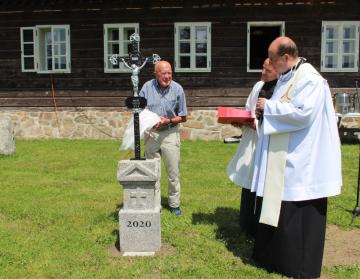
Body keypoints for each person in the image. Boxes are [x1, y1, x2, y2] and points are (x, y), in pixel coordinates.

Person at [251, 36, 342, 278]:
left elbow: (303, 114)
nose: (269, 63)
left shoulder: (310, 80)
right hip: (285, 154)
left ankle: (298, 265)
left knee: (298, 209)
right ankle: (275, 257)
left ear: (286, 57)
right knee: (280, 204)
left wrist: (268, 107)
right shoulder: (287, 75)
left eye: (272, 59)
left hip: (302, 157)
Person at [227, 58, 278, 237]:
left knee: (264, 183)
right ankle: (247, 222)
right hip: (253, 141)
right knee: (249, 182)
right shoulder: (258, 86)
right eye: (262, 69)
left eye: (267, 71)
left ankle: (261, 225)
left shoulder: (281, 89)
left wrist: (256, 125)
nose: (263, 73)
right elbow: (249, 110)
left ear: (278, 70)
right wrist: (242, 120)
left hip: (270, 145)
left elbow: (279, 120)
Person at [139, 60, 187, 216]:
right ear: (156, 74)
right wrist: (149, 122)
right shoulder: (147, 87)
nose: (167, 76)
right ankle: (155, 205)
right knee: (152, 171)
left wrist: (169, 120)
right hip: (151, 134)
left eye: (170, 73)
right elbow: (139, 110)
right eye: (163, 73)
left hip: (170, 133)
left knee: (173, 172)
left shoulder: (178, 89)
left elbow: (183, 116)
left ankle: (174, 204)